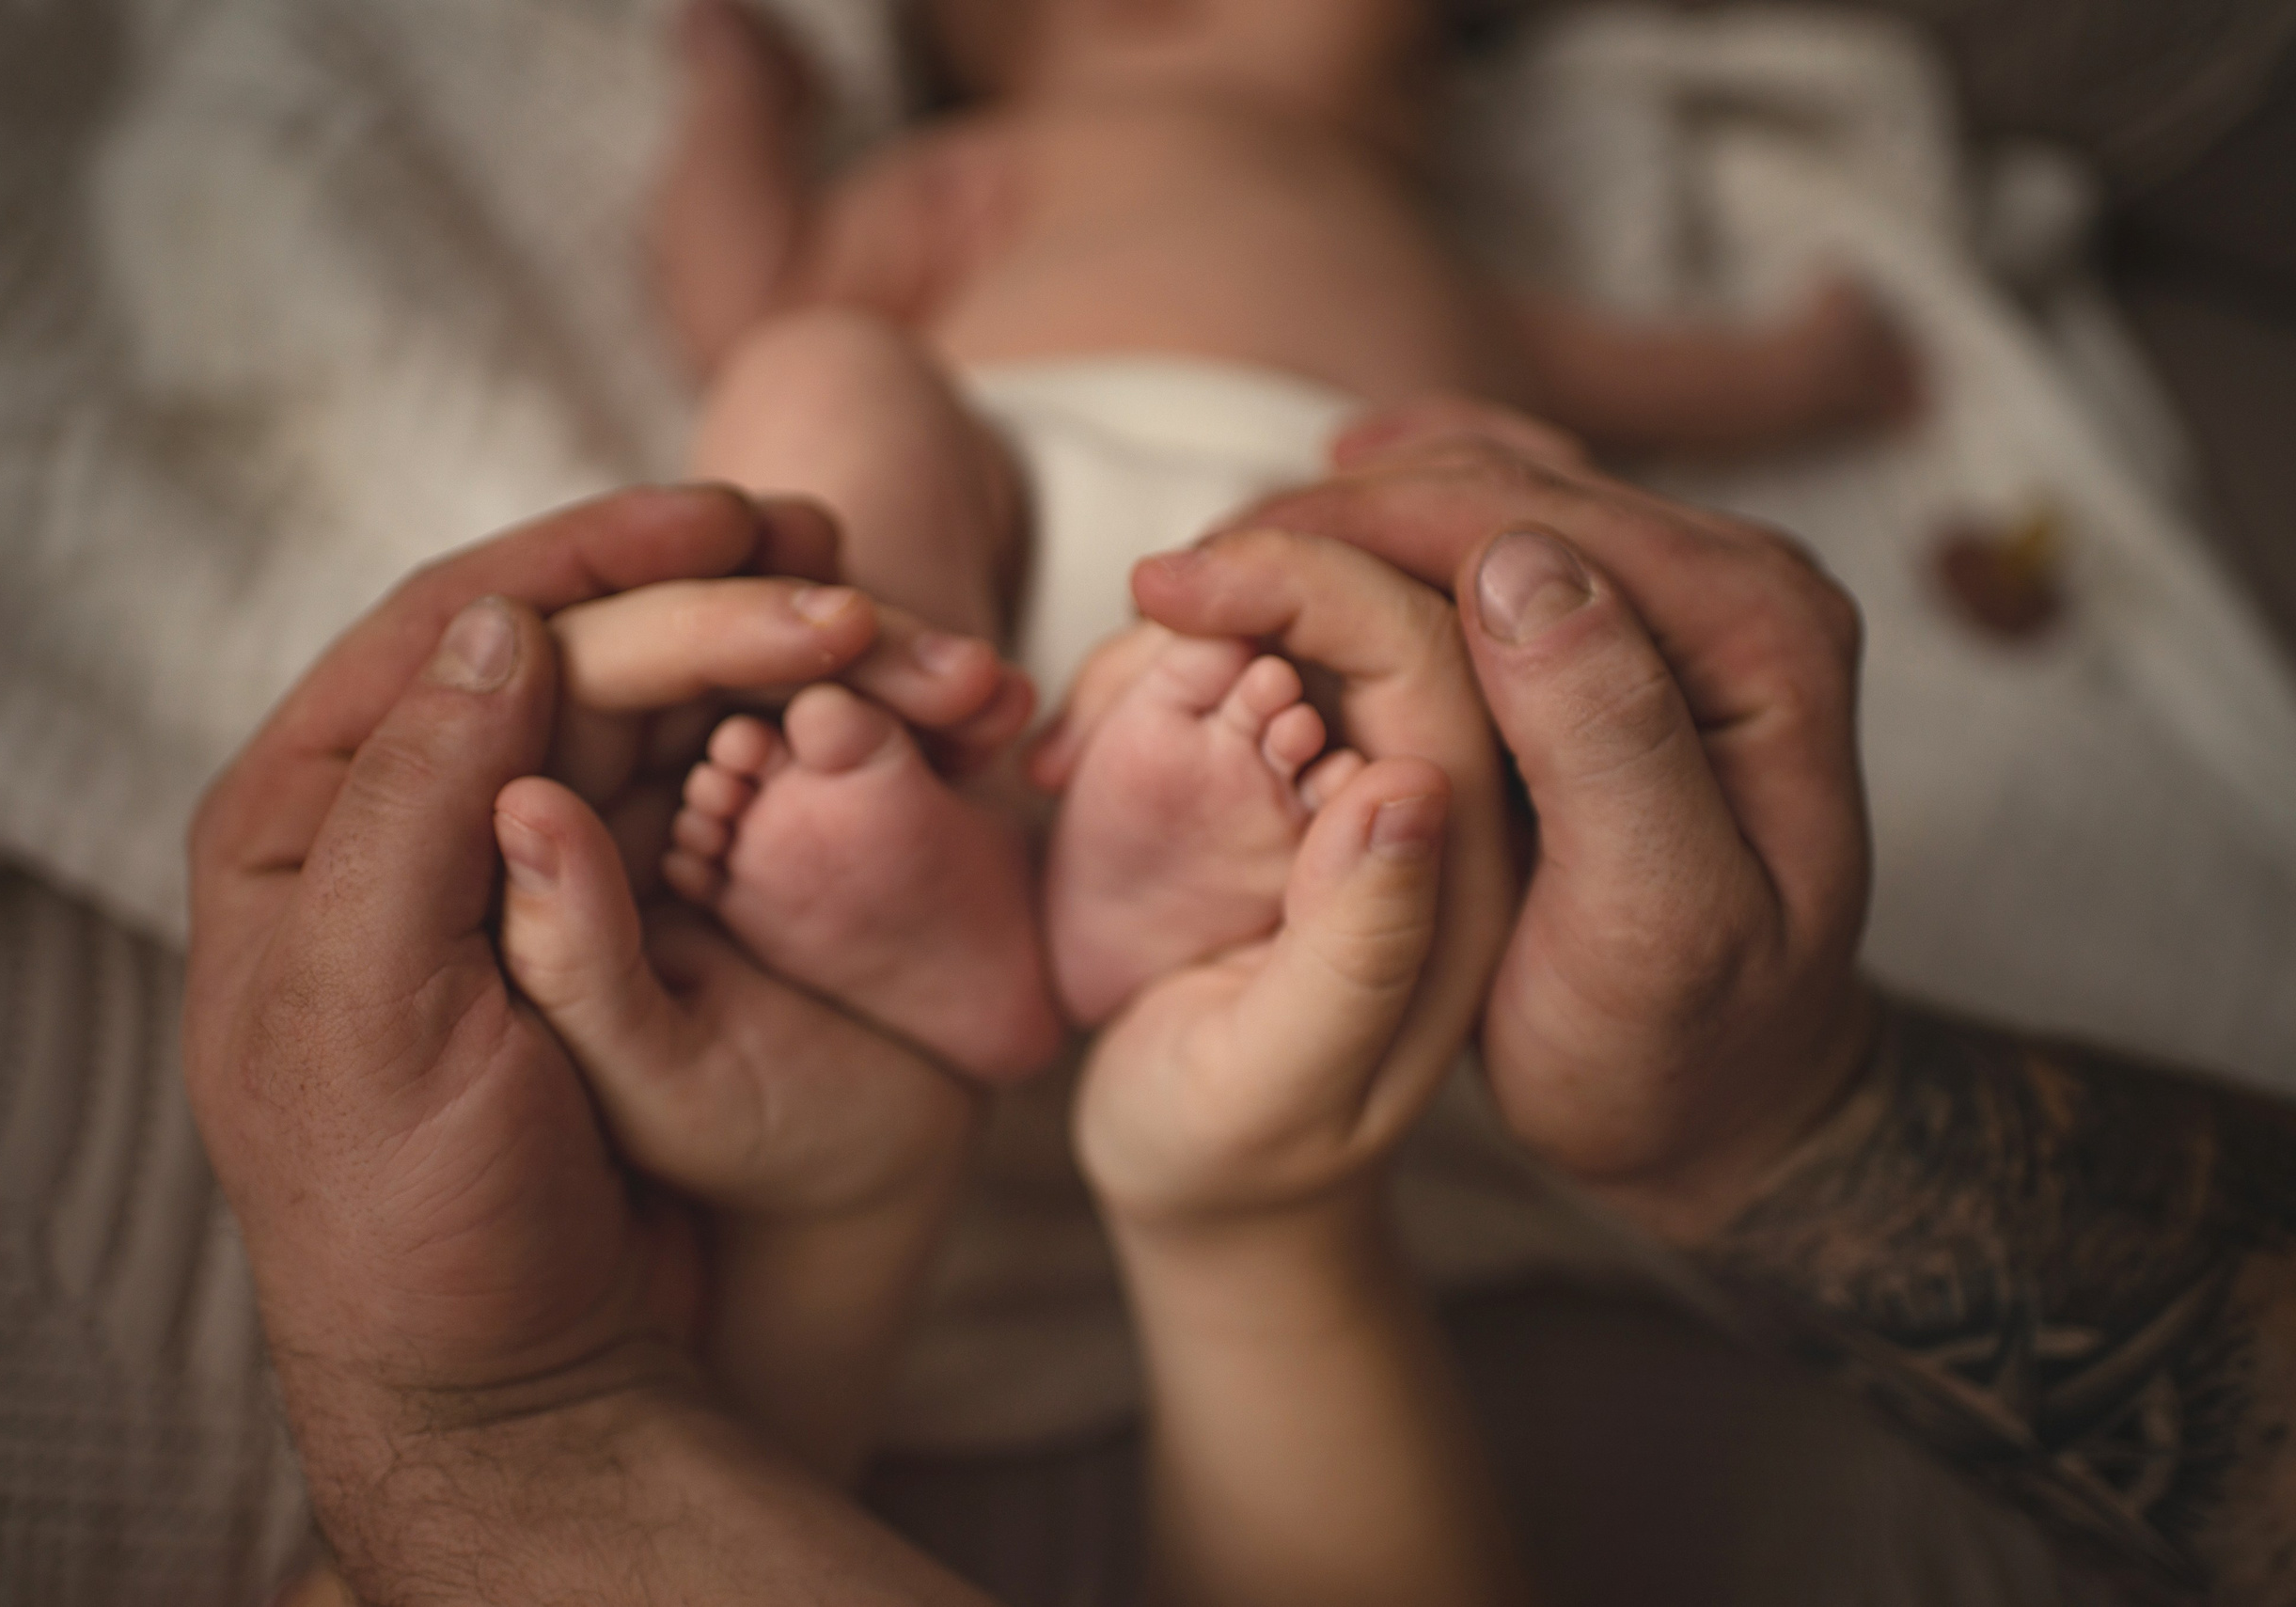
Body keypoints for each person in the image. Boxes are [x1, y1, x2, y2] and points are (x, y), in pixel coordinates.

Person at [189, 413, 2296, 1603]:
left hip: (1067, 577)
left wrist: (508, 1426)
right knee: (892, 432)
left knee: (844, 413)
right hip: (1151, 567)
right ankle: (1191, 1144)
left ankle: (904, 911)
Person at [639, 0, 1919, 1073]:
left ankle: (1157, 879)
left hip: (1333, 575)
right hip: (1001, 515)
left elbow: (1637, 381)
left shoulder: (1438, 248)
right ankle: (907, 795)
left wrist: (1802, 372)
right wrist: (748, 107)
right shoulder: (1008, 156)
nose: (1443, 67)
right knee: (821, 375)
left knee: (1507, 532)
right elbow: (757, 293)